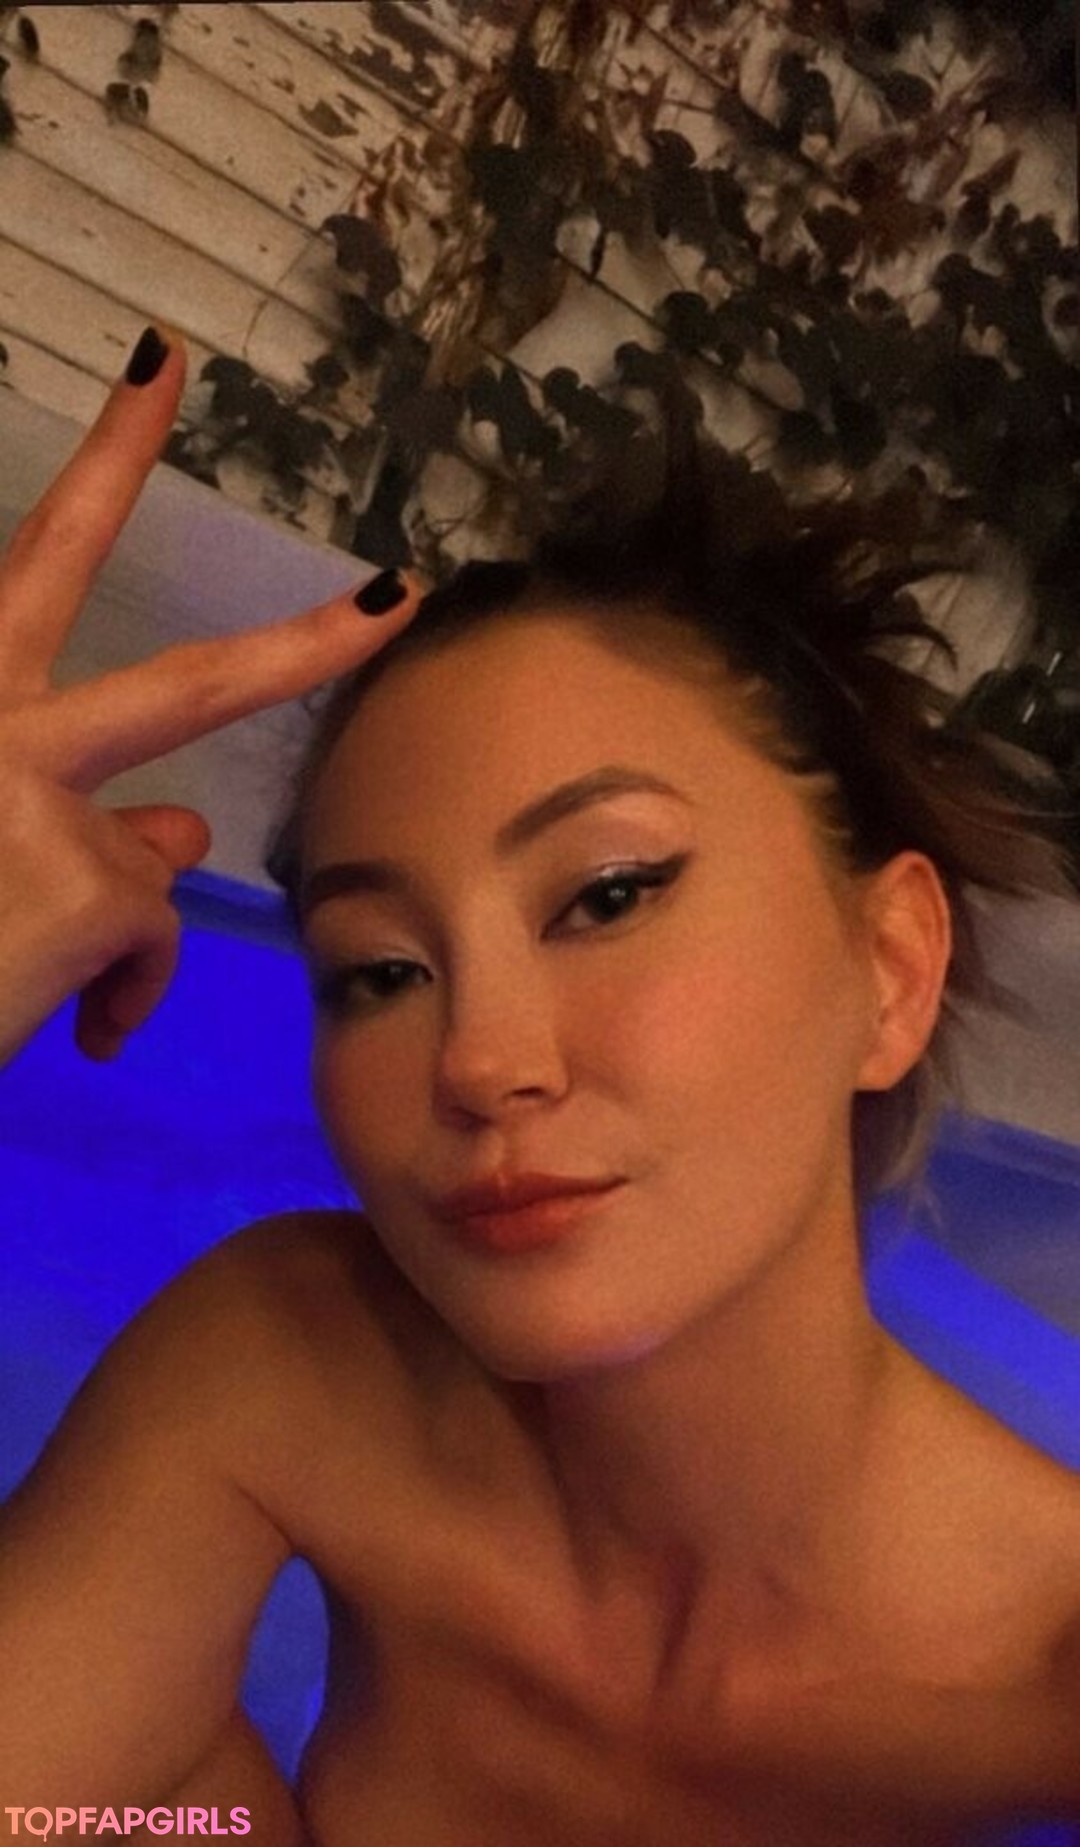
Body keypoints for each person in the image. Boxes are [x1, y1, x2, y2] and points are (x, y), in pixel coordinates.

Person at [1, 327, 1078, 1847]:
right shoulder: (293, 1363)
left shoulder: (1041, 1684)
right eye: (380, 971)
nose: (481, 1063)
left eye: (608, 895)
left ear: (890, 969)